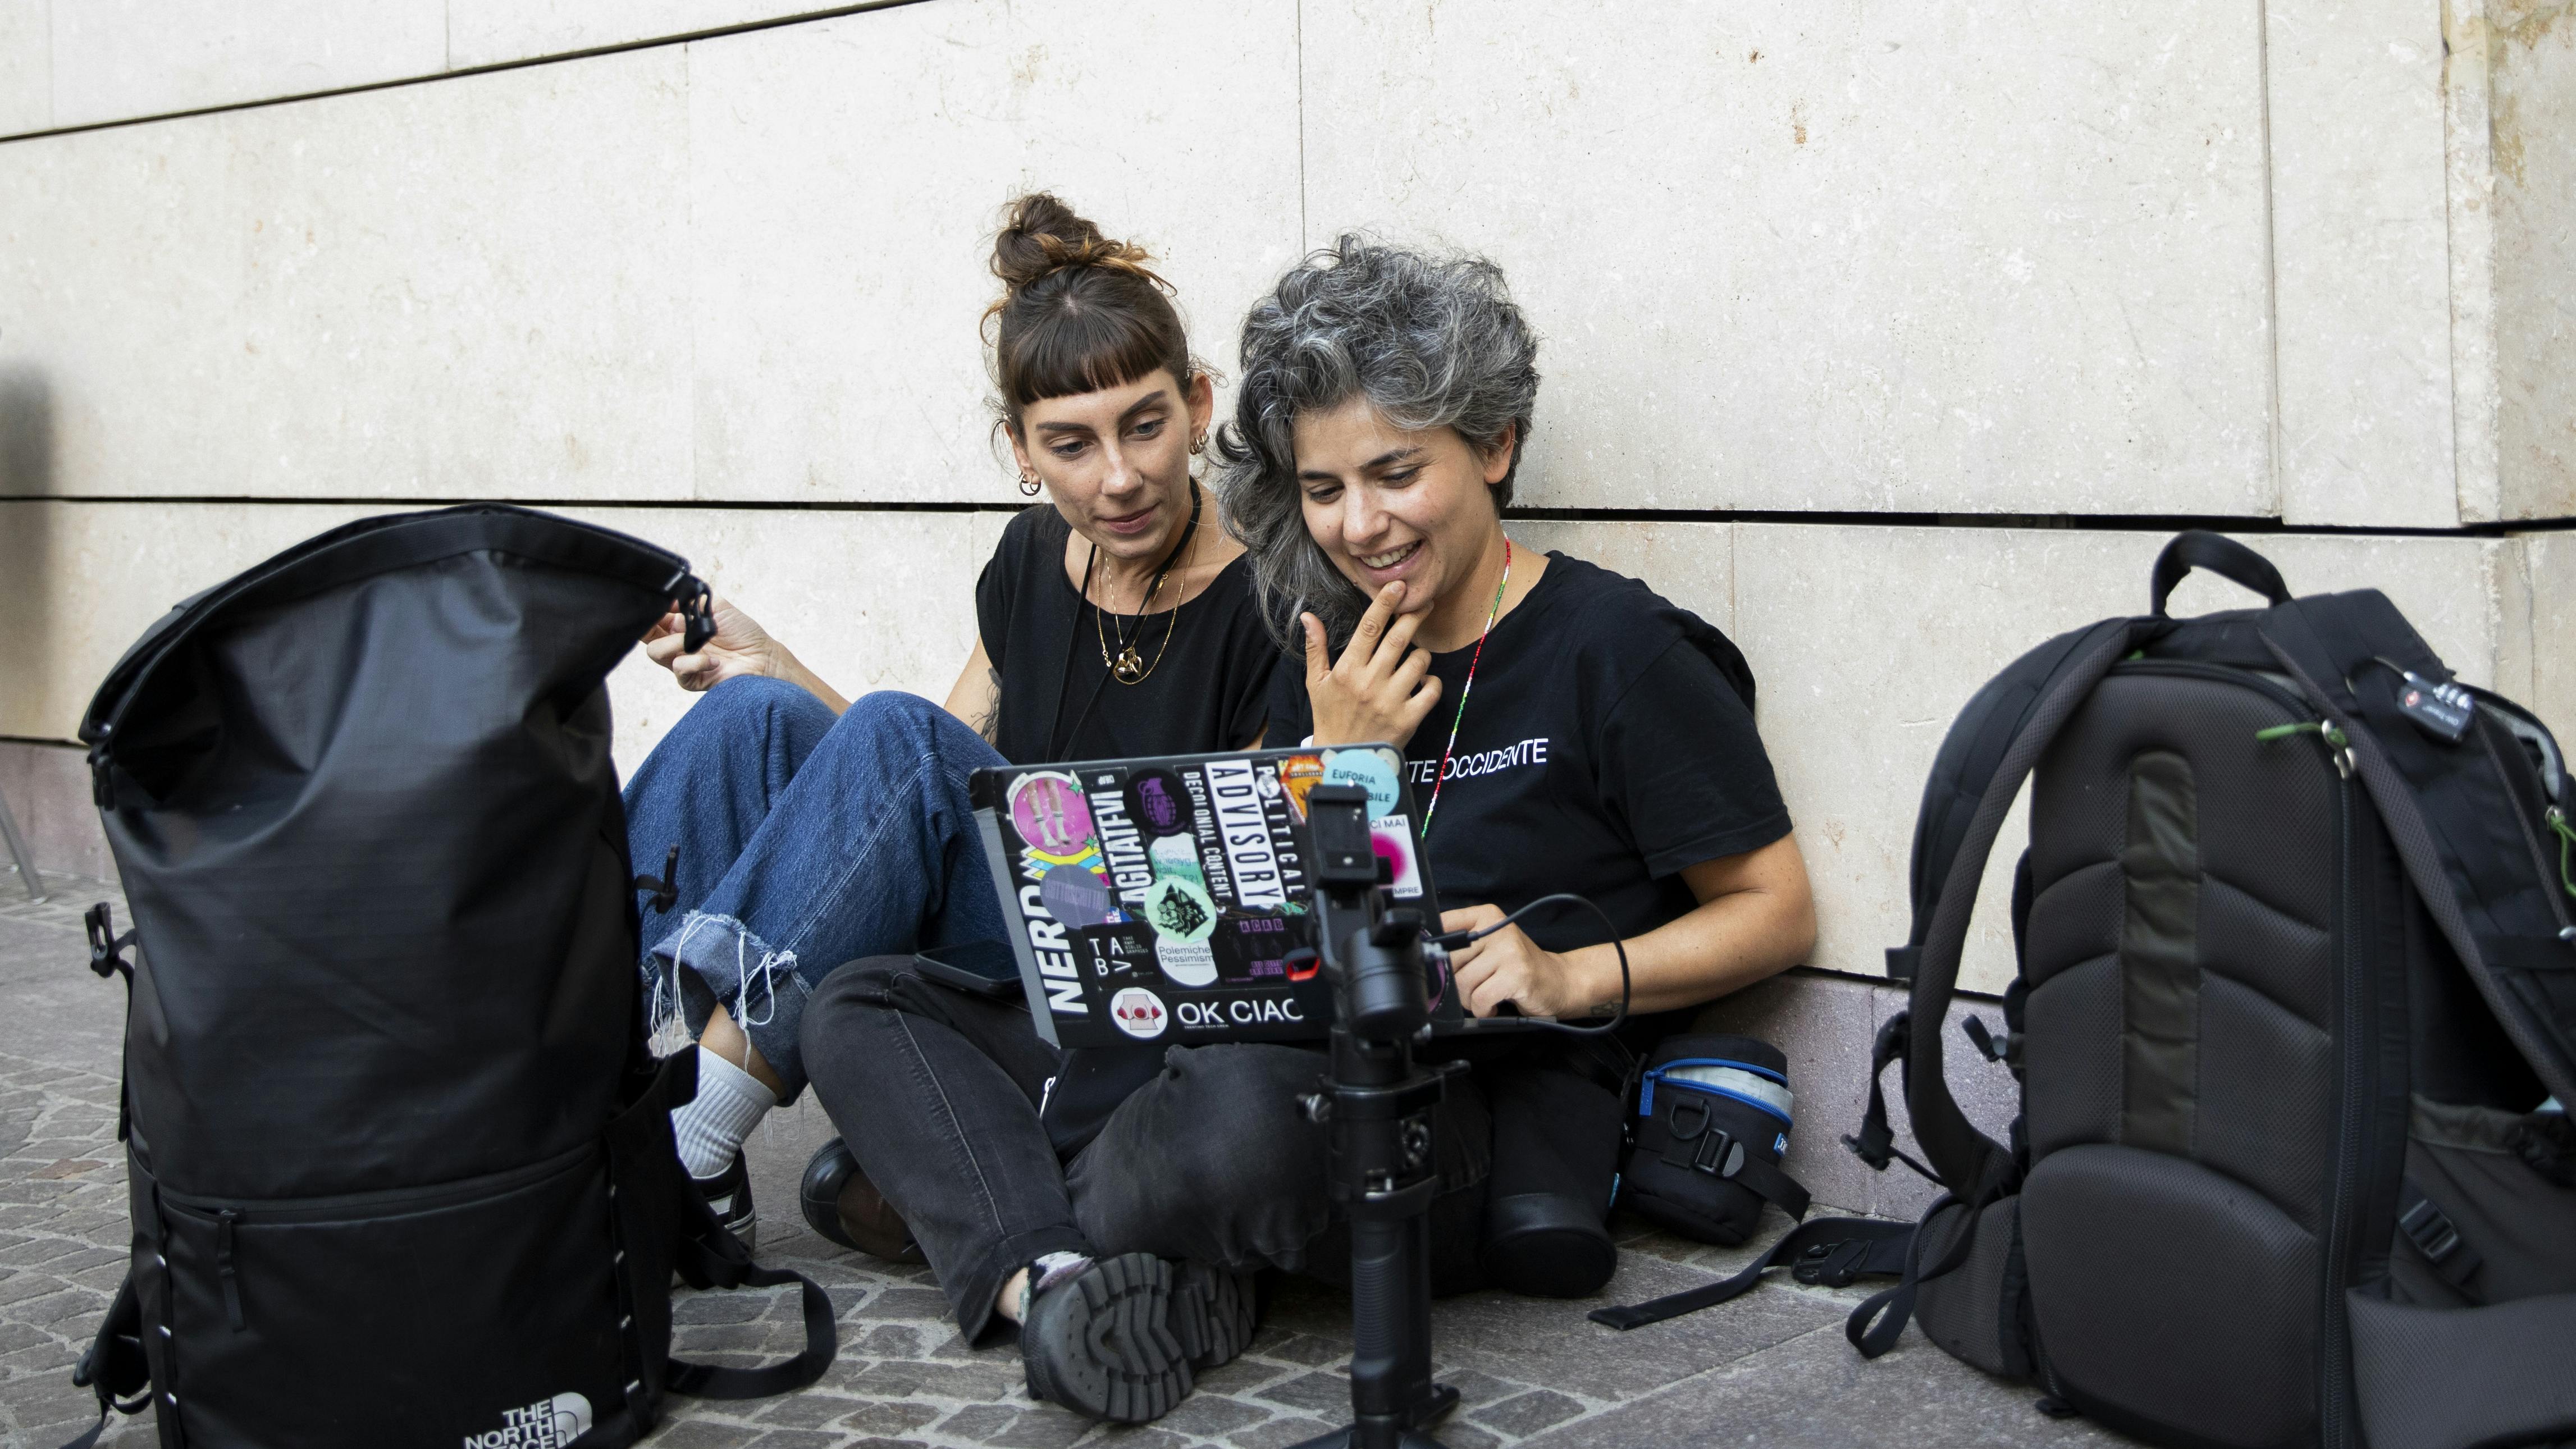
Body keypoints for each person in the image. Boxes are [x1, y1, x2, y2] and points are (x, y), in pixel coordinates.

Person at [797, 237, 1815, 1428]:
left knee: (1227, 1127)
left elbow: (1775, 908)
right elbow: (1248, 931)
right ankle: (1068, 1274)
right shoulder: (1317, 639)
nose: (1361, 525)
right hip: (1241, 1043)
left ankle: (980, 1209)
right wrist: (1326, 768)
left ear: (1491, 445)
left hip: (1438, 1108)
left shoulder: (1617, 651)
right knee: (858, 1005)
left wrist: (1572, 971)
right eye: (1323, 489)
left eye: (1395, 473)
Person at [618, 193, 1277, 1244]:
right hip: (998, 920)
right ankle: (555, 1065)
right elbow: (920, 793)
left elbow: (1238, 902)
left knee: (896, 731)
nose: (1119, 476)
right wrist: (774, 664)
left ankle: (689, 1143)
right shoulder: (1029, 560)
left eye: (1146, 425)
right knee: (751, 713)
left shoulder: (1267, 605)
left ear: (1198, 404)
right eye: (1070, 444)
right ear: (1020, 448)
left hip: (1122, 971)